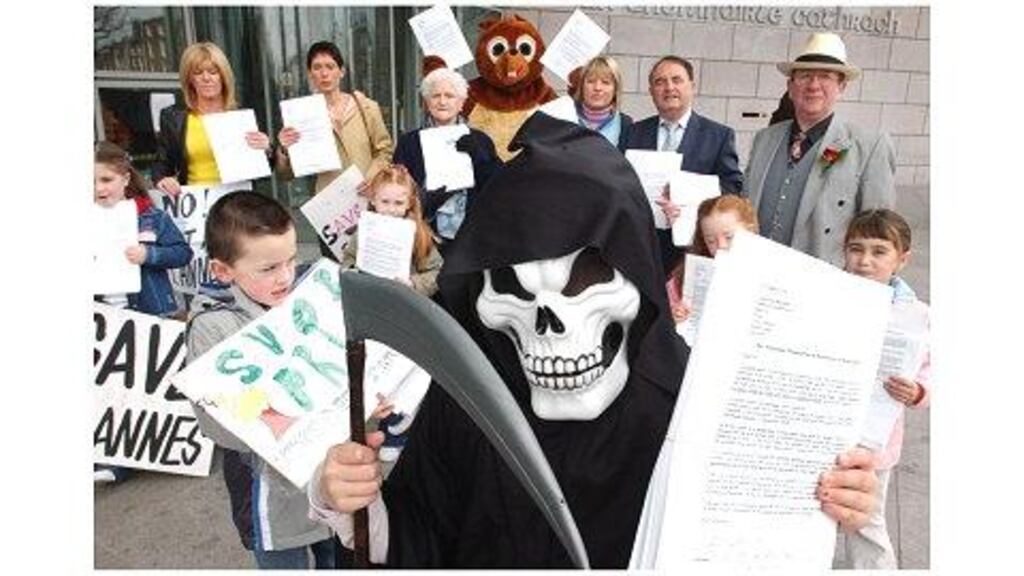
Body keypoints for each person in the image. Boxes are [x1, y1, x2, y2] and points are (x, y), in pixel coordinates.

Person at [306, 114, 880, 568]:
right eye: (513, 289)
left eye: (583, 282)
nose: (547, 320)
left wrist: (836, 507)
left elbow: (757, 543)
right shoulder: (470, 402)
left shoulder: (692, 404)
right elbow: (414, 542)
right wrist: (347, 498)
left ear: (637, 284)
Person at [185, 192, 341, 569]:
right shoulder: (212, 325)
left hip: (329, 480)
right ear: (223, 270)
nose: (285, 276)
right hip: (268, 492)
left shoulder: (309, 295)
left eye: (291, 260)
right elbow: (219, 426)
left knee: (337, 560)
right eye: (268, 268)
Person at [743, 32, 896, 268]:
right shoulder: (764, 139)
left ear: (842, 86)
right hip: (758, 274)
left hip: (823, 285)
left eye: (825, 76)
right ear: (790, 86)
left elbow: (877, 234)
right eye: (805, 76)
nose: (814, 85)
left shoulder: (869, 146)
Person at [94, 141, 193, 483]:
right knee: (113, 386)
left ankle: (178, 447)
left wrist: (148, 255)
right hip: (103, 313)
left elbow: (182, 252)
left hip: (150, 309)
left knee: (157, 380)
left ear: (124, 178)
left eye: (105, 179)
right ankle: (116, 461)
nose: (97, 188)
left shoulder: (150, 215)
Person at [841, 208, 931, 569]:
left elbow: (932, 369)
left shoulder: (917, 316)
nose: (864, 261)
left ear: (902, 259)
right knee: (817, 510)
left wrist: (919, 391)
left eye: (879, 251)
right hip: (826, 425)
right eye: (855, 249)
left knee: (864, 523)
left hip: (874, 441)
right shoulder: (828, 295)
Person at [622, 55, 743, 277]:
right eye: (660, 82)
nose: (669, 88)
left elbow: (732, 187)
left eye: (677, 80)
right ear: (651, 91)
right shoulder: (633, 132)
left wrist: (692, 201)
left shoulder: (719, 136)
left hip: (694, 249)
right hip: (642, 247)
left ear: (692, 86)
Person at [392, 67, 500, 250]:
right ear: (426, 102)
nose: (442, 101)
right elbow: (397, 189)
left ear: (461, 103)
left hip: (472, 236)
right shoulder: (409, 142)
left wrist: (480, 157)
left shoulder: (480, 140)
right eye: (436, 96)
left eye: (449, 96)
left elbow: (496, 187)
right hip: (425, 235)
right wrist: (426, 200)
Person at [152, 42, 272, 196]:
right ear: (189, 79)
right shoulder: (174, 117)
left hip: (238, 201)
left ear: (223, 76)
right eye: (198, 72)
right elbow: (162, 162)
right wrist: (162, 179)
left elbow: (265, 170)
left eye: (213, 71)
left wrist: (266, 149)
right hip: (195, 203)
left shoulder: (241, 116)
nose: (206, 78)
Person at [277, 40, 394, 195]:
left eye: (330, 66)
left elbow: (384, 150)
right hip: (329, 202)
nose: (324, 74)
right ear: (309, 74)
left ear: (342, 71)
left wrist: (372, 176)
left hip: (367, 195)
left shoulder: (366, 107)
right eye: (317, 67)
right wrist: (285, 150)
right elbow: (286, 175)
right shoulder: (301, 115)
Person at [340, 165, 442, 298]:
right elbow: (349, 257)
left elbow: (436, 271)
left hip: (404, 302)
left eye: (398, 203)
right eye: (385, 202)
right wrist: (352, 272)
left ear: (409, 203)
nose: (391, 209)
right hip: (369, 296)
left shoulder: (418, 234)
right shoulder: (364, 230)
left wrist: (413, 283)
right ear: (373, 200)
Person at [666, 195, 758, 324]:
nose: (721, 246)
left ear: (751, 230)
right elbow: (661, 326)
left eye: (729, 237)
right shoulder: (685, 278)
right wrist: (674, 318)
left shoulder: (771, 274)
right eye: (711, 241)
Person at [570, 55, 634, 150]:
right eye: (591, 81)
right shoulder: (565, 118)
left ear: (615, 89)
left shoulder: (627, 125)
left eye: (605, 82)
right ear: (582, 86)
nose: (597, 88)